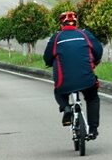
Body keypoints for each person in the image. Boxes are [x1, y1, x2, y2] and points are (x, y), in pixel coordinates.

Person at [43, 11, 103, 139]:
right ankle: (92, 130)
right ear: (76, 23)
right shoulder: (85, 34)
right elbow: (98, 50)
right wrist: (95, 61)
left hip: (64, 82)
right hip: (87, 80)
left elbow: (47, 57)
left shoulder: (56, 38)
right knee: (92, 98)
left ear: (61, 24)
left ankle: (66, 108)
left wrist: (50, 62)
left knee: (59, 92)